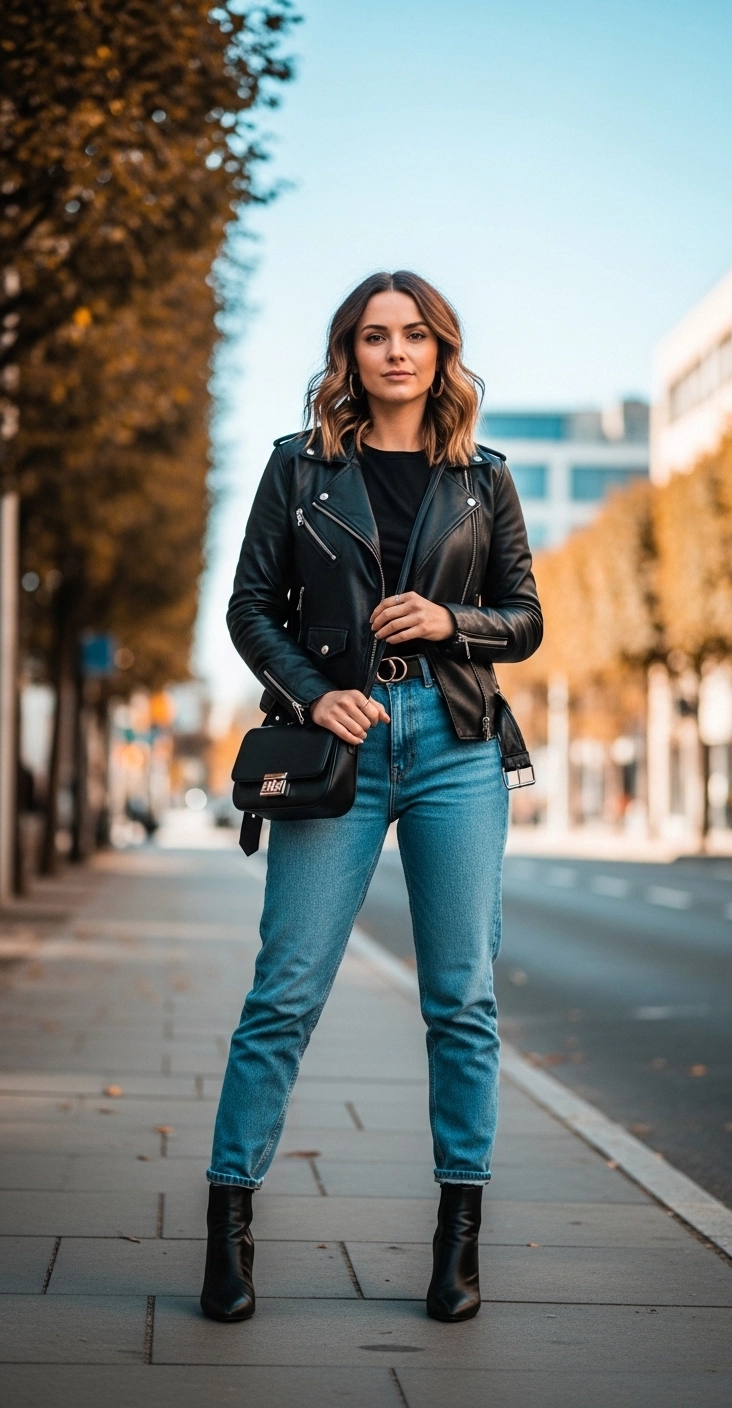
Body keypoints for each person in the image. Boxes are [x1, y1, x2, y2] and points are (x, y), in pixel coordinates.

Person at [201, 270, 543, 1324]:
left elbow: (524, 619)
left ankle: (457, 1245)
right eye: (372, 336)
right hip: (332, 746)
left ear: (442, 353)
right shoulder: (297, 469)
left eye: (415, 336)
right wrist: (316, 692)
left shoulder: (484, 479)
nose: (396, 352)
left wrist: (451, 626)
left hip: (454, 743)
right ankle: (228, 1232)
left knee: (464, 999)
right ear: (346, 355)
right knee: (286, 990)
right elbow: (250, 607)